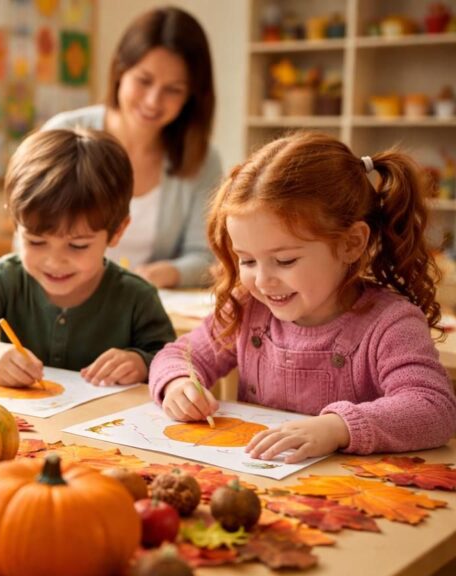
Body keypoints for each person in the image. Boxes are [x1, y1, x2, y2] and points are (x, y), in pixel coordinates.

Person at [151, 131, 456, 462]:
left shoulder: (391, 324)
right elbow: (180, 354)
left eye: (285, 261)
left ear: (351, 243)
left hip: (347, 487)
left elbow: (433, 408)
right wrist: (177, 383)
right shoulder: (248, 307)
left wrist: (337, 428)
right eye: (247, 260)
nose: (263, 281)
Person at [0, 128, 175, 387]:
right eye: (36, 241)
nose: (54, 261)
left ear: (117, 231)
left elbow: (175, 363)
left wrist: (142, 362)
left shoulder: (137, 297)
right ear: (15, 223)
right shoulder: (7, 278)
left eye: (77, 245)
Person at [42, 5, 220, 289]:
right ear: (120, 70)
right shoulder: (62, 134)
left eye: (173, 89)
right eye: (144, 80)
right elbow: (30, 233)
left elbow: (205, 256)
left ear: (192, 96)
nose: (153, 101)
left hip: (148, 306)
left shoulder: (203, 160)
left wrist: (169, 273)